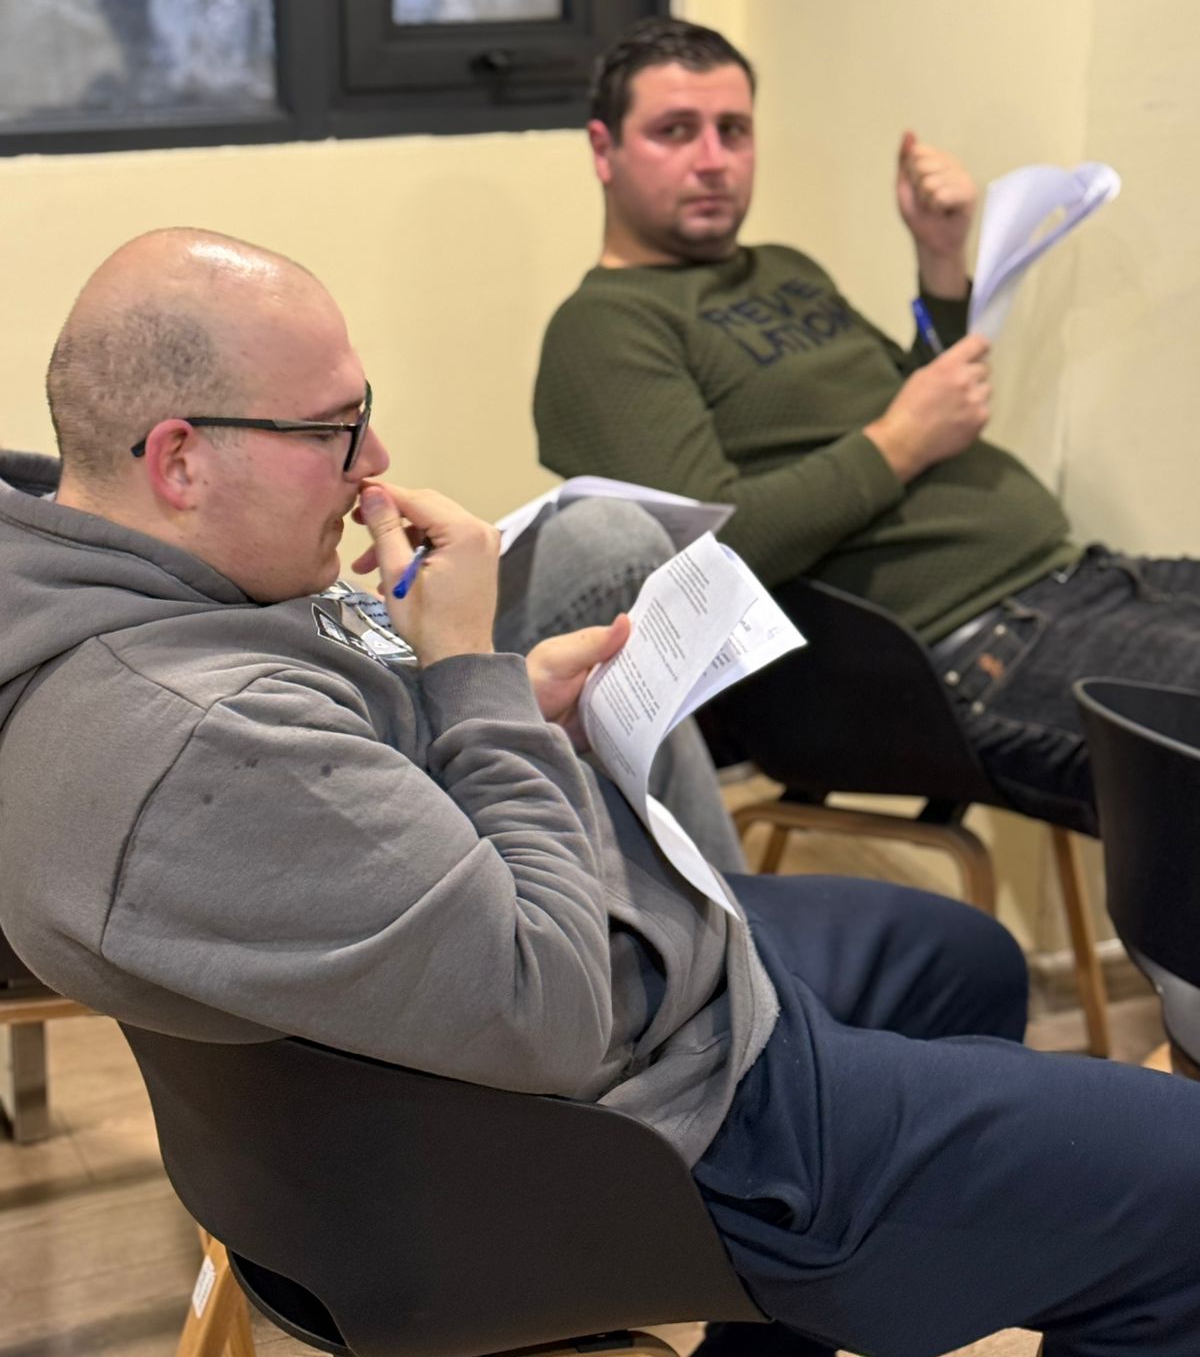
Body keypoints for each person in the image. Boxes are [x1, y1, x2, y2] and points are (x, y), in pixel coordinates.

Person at [3, 228, 1200, 1357]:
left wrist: (508, 697)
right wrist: (473, 677)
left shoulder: (146, 595)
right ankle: (820, 1239)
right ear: (179, 459)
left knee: (954, 960)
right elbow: (552, 1005)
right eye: (334, 429)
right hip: (651, 1127)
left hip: (601, 1011)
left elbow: (335, 799)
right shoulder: (196, 735)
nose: (374, 464)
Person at [534, 15, 1200, 834]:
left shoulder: (785, 269)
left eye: (733, 131)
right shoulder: (603, 328)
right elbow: (702, 559)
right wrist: (898, 446)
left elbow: (919, 399)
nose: (712, 159)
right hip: (957, 655)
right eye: (675, 131)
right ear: (604, 150)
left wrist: (941, 262)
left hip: (1081, 580)